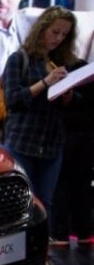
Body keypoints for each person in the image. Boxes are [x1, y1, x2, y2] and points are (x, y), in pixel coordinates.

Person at [0, 6, 79, 265]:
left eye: (64, 34)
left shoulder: (60, 62)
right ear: (42, 28)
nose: (58, 38)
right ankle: (12, 261)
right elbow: (13, 99)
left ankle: (41, 258)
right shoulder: (19, 59)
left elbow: (73, 106)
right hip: (23, 142)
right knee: (20, 206)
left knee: (45, 204)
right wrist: (46, 83)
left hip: (52, 144)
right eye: (55, 31)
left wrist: (69, 95)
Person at [50, 59, 94, 248]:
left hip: (65, 137)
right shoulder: (88, 73)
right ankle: (84, 232)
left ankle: (60, 234)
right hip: (87, 139)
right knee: (83, 187)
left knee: (61, 186)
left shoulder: (63, 75)